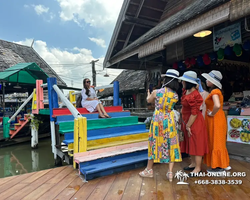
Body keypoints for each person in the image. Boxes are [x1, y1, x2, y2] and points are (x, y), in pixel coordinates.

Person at [139, 69, 182, 182]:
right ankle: (170, 172)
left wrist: (149, 93)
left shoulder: (156, 92)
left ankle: (149, 170)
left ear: (166, 80)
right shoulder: (176, 95)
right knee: (171, 143)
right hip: (170, 120)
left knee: (154, 142)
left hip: (158, 120)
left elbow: (149, 100)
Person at [178, 71, 209, 175]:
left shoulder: (194, 94)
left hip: (194, 122)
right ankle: (192, 163)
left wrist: (188, 125)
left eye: (184, 80)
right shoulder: (185, 91)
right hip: (187, 120)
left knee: (196, 144)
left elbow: (194, 113)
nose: (182, 82)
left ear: (188, 82)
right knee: (189, 142)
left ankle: (198, 168)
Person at [202, 70, 230, 172]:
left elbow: (217, 105)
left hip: (215, 119)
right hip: (219, 118)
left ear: (213, 82)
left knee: (215, 141)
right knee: (219, 141)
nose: (206, 81)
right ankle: (223, 163)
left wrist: (212, 113)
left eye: (208, 79)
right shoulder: (217, 92)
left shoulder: (214, 92)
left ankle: (217, 165)